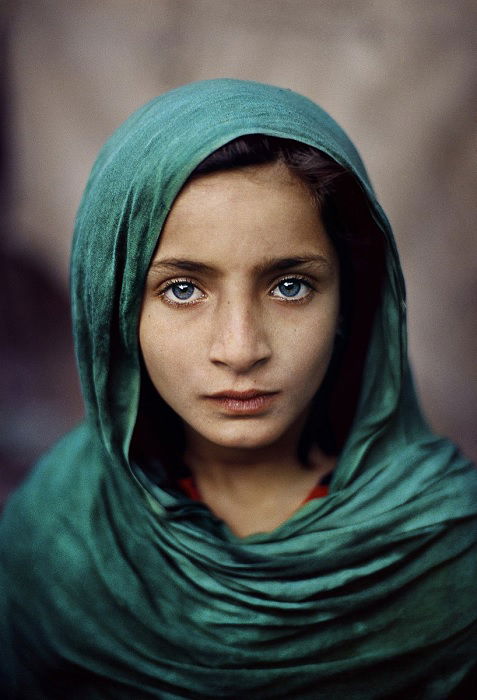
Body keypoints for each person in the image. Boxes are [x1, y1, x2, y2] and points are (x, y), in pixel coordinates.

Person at [0, 79, 476, 699]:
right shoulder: (54, 536)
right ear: (113, 308)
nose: (241, 348)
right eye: (181, 289)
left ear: (350, 302)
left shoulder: (447, 548)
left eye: (289, 286)